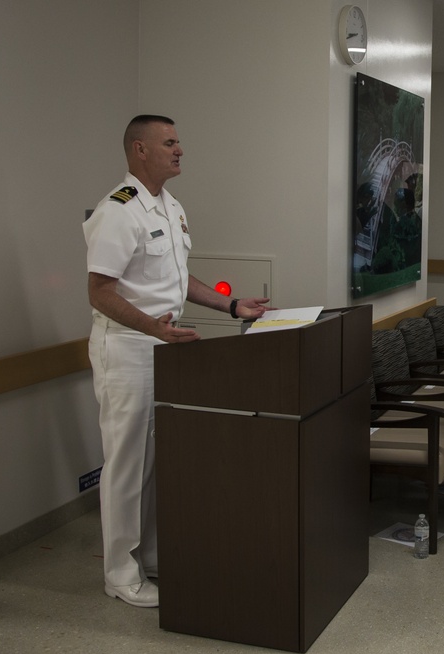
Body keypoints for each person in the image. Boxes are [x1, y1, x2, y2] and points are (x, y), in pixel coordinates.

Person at [83, 115, 270, 607]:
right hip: (127, 349)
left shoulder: (169, 206)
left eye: (179, 141)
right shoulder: (118, 210)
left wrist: (231, 306)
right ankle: (120, 574)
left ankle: (148, 557)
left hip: (161, 345)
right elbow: (99, 291)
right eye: (169, 142)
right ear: (139, 150)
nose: (180, 149)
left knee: (155, 461)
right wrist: (150, 327)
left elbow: (178, 279)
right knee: (126, 463)